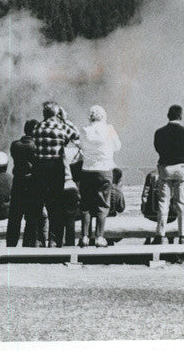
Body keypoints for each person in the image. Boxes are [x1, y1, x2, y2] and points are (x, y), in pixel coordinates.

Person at [31, 101, 80, 246]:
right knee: (55, 205)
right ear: (57, 114)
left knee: (39, 205)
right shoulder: (62, 126)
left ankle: (38, 239)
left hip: (39, 169)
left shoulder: (37, 127)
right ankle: (54, 239)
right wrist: (64, 118)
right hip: (56, 168)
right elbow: (76, 134)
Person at [78, 105, 121, 247]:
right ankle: (99, 237)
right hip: (104, 169)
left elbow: (82, 146)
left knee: (86, 204)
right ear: (103, 116)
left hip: (87, 169)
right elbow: (117, 146)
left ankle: (84, 236)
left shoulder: (84, 129)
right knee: (103, 204)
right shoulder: (109, 129)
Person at [153, 104, 184, 244]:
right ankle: (183, 235)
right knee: (182, 202)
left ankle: (160, 235)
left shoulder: (159, 132)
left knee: (163, 202)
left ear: (168, 115)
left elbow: (158, 148)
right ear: (180, 116)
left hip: (166, 168)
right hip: (181, 168)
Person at [7, 119, 43, 247]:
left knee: (15, 217)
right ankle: (28, 245)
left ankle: (10, 245)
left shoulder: (15, 145)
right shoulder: (37, 146)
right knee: (32, 217)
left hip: (18, 183)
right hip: (33, 183)